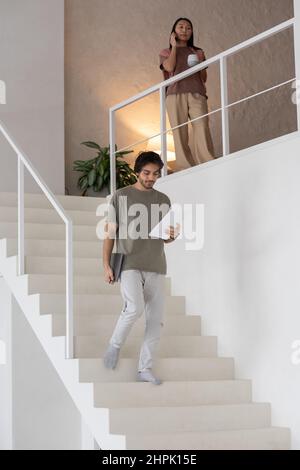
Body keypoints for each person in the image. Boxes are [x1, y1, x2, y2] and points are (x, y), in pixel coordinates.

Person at [102, 151, 180, 385]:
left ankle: (144, 368)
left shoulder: (163, 200)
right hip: (129, 263)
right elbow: (109, 234)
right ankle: (114, 345)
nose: (151, 178)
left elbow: (164, 237)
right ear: (137, 171)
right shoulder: (120, 196)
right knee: (134, 308)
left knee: (155, 320)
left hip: (156, 264)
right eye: (146, 173)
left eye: (155, 174)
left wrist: (171, 236)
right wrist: (105, 264)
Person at [159, 17, 216, 171]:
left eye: (188, 28)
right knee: (179, 132)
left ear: (192, 32)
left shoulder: (198, 52)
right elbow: (169, 67)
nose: (185, 30)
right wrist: (174, 47)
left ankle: (208, 161)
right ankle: (185, 167)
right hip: (174, 94)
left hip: (197, 93)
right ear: (174, 31)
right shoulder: (166, 52)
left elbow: (203, 78)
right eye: (181, 27)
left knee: (202, 127)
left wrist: (200, 64)